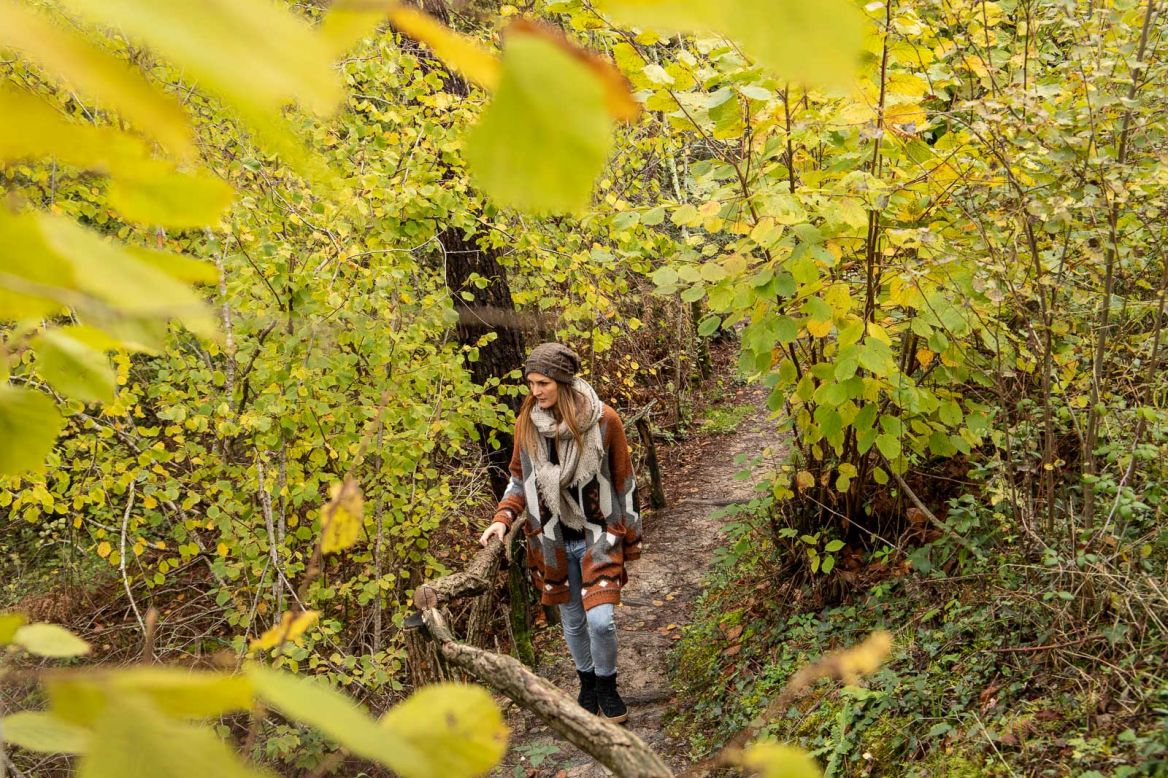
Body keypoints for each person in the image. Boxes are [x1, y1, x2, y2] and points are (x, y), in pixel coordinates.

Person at [479, 342, 641, 723]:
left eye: (543, 383)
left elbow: (624, 482)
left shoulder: (604, 421)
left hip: (599, 534)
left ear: (563, 382)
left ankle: (607, 685)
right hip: (550, 539)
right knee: (572, 620)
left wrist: (632, 538)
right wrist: (502, 518)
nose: (535, 391)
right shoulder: (527, 425)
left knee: (601, 621)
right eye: (531, 383)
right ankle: (587, 683)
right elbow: (519, 479)